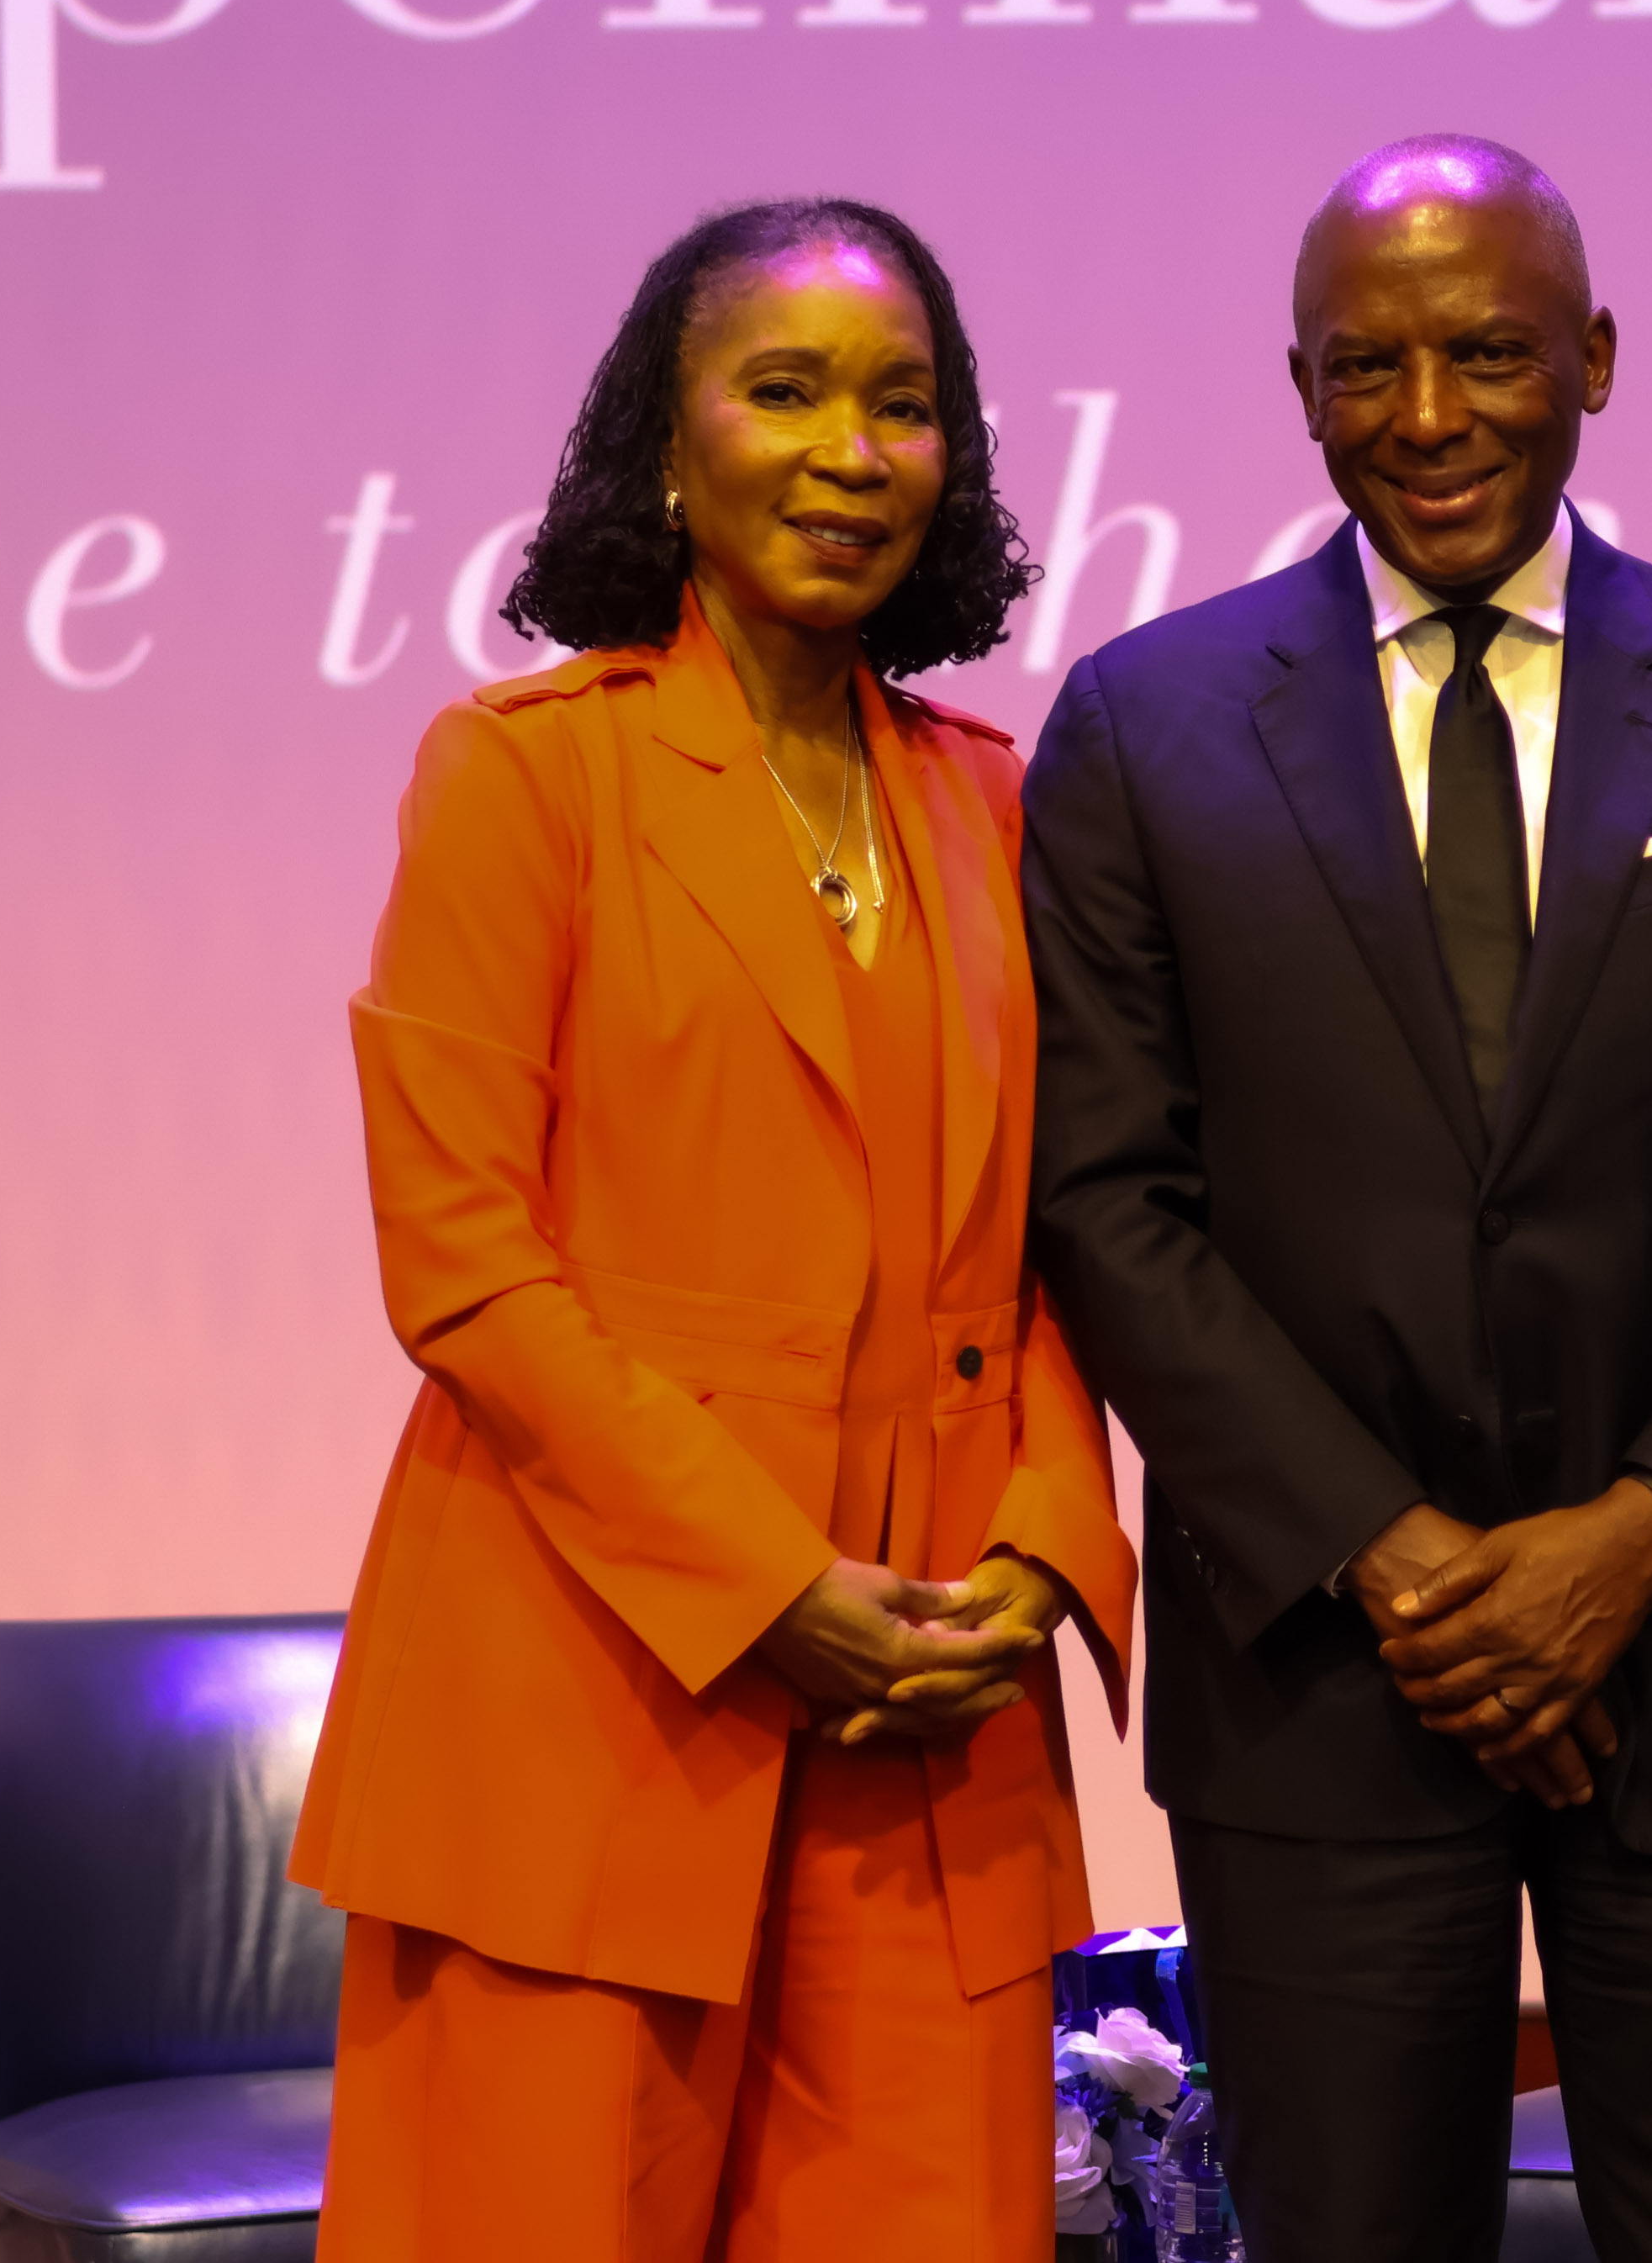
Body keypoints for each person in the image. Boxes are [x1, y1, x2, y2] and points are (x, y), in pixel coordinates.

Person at [1021, 135, 1652, 2263]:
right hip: (1325, 1686)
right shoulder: (1146, 729)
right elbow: (1109, 1203)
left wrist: (1636, 1538)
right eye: (1368, 366)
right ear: (1302, 386)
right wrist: (1406, 1564)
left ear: (1595, 357)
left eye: (1490, 352)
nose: (1427, 415)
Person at [293, 198, 1136, 2260]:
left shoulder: (989, 800)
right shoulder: (524, 775)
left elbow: (1039, 1240)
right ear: (666, 450)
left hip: (924, 1720)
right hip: (597, 1703)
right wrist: (767, 1582)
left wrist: (1041, 1543)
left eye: (905, 403)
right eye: (787, 391)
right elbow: (468, 1267)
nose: (852, 449)